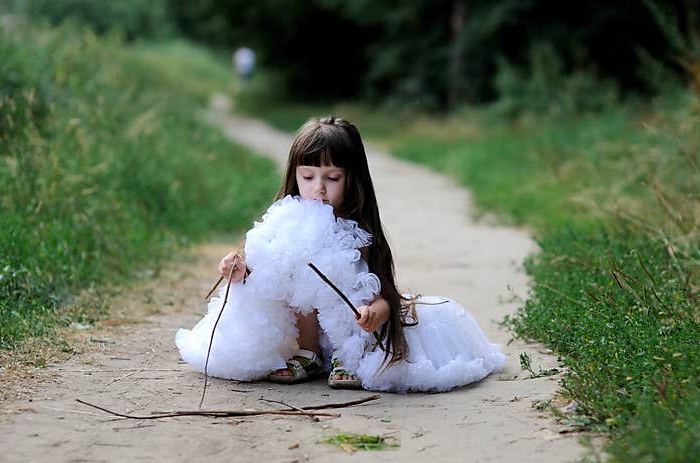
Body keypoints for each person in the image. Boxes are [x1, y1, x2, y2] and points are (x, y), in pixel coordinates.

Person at [176, 117, 506, 393]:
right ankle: (308, 354)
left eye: (332, 178)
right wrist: (238, 271)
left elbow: (383, 298)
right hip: (301, 335)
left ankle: (343, 359)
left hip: (353, 339)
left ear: (352, 179)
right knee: (293, 274)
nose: (319, 188)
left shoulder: (358, 233)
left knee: (339, 278)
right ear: (295, 176)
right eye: (308, 177)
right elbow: (265, 281)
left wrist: (374, 314)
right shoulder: (284, 222)